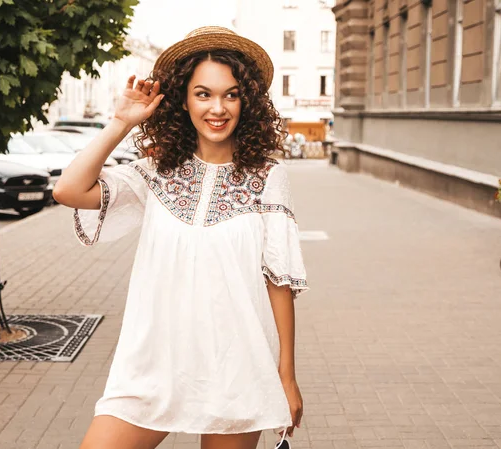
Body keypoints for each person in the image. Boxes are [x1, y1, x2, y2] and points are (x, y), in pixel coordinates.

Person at [53, 26, 308, 449]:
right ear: (184, 100)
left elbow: (278, 280)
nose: (218, 108)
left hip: (236, 365)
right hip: (153, 364)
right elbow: (69, 191)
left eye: (231, 94)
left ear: (247, 101)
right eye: (203, 93)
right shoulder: (157, 173)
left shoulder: (267, 176)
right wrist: (120, 122)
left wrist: (285, 375)